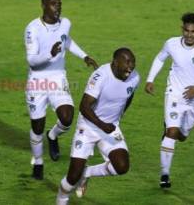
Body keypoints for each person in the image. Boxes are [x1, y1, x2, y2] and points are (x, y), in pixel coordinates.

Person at [145, 13, 194, 188]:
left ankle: (170, 132)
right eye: (186, 31)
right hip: (174, 93)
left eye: (193, 32)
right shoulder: (171, 43)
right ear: (182, 29)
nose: (189, 35)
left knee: (182, 136)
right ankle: (164, 175)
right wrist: (150, 79)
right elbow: (160, 58)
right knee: (172, 133)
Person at [24, 0, 98, 180]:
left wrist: (84, 56)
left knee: (67, 117)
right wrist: (49, 54)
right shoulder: (33, 29)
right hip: (38, 82)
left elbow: (67, 41)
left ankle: (53, 135)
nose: (58, 7)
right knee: (37, 126)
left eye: (59, 3)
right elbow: (32, 60)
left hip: (57, 78)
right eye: (53, 4)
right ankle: (38, 162)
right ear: (43, 6)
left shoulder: (65, 23)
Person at [56, 48, 140, 205]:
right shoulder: (100, 76)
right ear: (115, 62)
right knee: (72, 177)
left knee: (121, 166)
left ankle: (86, 173)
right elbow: (84, 106)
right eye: (127, 62)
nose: (131, 66)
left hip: (110, 127)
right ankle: (62, 198)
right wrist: (102, 125)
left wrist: (118, 117)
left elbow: (129, 96)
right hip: (88, 126)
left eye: (133, 62)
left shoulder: (135, 78)